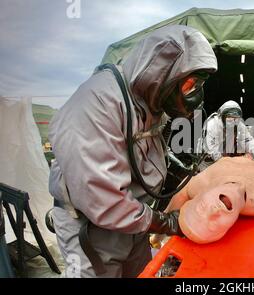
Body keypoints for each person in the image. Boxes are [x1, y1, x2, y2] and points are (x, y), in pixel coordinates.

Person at [48, 25, 218, 278]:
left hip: (133, 222)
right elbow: (101, 199)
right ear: (161, 73)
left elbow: (144, 157)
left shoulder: (148, 105)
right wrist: (166, 222)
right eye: (190, 84)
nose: (195, 94)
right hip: (91, 226)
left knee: (143, 273)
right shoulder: (97, 103)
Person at [151, 156, 254, 245]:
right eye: (213, 221)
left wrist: (157, 237)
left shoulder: (197, 184)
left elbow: (176, 201)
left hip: (223, 161)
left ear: (199, 197)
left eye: (202, 207)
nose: (213, 209)